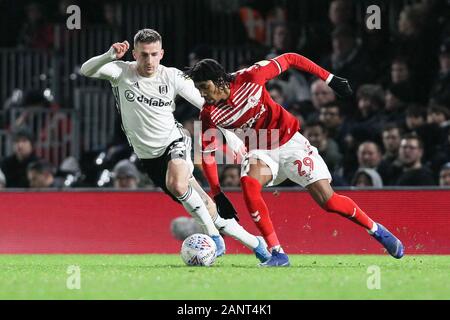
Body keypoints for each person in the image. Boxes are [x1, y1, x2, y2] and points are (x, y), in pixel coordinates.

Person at [185, 53, 404, 267]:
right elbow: (207, 154)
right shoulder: (209, 114)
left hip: (291, 142)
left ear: (219, 81)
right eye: (198, 89)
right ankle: (277, 253)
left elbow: (290, 58)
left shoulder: (251, 76)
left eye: (204, 87)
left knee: (329, 201)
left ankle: (375, 229)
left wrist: (329, 78)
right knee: (249, 184)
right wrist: (218, 194)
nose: (202, 94)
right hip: (260, 150)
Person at [80, 28, 270, 263]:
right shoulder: (121, 72)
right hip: (149, 158)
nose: (148, 60)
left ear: (162, 54)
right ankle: (256, 243)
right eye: (143, 55)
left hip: (175, 142)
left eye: (153, 54)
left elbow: (205, 103)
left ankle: (213, 237)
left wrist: (229, 135)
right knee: (207, 208)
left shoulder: (172, 76)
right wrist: (109, 55)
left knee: (178, 185)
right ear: (135, 55)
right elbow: (86, 69)